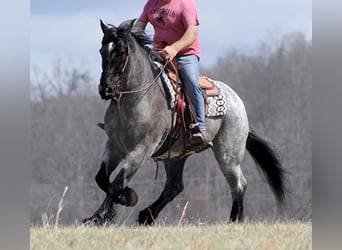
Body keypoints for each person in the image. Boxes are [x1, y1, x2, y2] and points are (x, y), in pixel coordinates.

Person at [135, 0, 206, 146]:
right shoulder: (150, 4)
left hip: (185, 53)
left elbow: (192, 33)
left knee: (191, 82)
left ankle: (200, 127)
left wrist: (174, 48)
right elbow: (139, 26)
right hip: (159, 51)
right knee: (137, 76)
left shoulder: (185, 4)